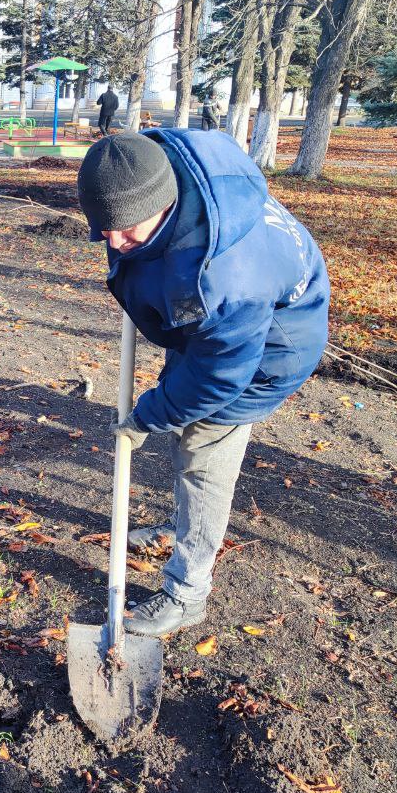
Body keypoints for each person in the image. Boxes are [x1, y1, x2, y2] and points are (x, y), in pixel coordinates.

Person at [75, 131, 329, 636]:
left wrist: (148, 416)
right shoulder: (158, 164)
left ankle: (187, 594)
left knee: (202, 458)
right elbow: (193, 329)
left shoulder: (221, 280)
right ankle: (179, 526)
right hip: (219, 331)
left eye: (126, 229)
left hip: (266, 355)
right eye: (104, 227)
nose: (112, 241)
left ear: (162, 202)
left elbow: (218, 377)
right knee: (183, 408)